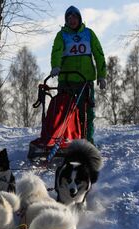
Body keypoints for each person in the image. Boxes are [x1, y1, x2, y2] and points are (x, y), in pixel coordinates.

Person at [50, 6, 106, 144]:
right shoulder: (61, 35)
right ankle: (62, 139)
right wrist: (55, 66)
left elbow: (99, 54)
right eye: (69, 18)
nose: (72, 20)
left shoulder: (88, 34)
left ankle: (87, 141)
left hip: (85, 81)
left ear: (79, 18)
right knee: (63, 113)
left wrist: (101, 75)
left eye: (74, 17)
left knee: (86, 114)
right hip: (66, 80)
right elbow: (56, 51)